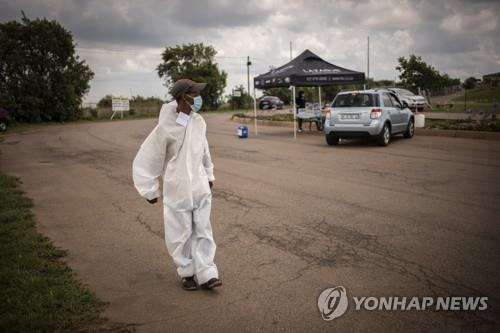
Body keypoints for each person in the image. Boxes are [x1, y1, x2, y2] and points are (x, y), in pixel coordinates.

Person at [132, 79, 221, 291]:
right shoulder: (165, 127)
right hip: (177, 188)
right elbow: (150, 156)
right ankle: (186, 272)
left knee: (203, 230)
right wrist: (149, 188)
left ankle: (207, 272)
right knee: (179, 234)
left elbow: (204, 150)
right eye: (194, 93)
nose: (198, 97)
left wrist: (209, 175)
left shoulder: (199, 122)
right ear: (183, 97)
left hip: (199, 187)